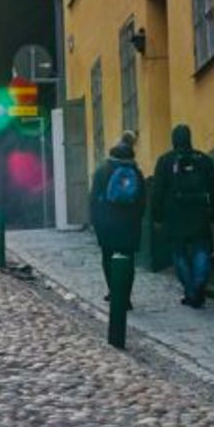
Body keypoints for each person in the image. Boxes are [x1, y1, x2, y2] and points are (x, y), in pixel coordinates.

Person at [150, 123, 214, 308]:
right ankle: (199, 283)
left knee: (179, 253)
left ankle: (191, 291)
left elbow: (157, 192)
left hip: (174, 215)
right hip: (200, 212)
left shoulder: (165, 161)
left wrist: (157, 217)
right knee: (201, 250)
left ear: (173, 140)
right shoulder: (203, 160)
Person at [88, 131, 145, 309]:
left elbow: (93, 199)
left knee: (108, 258)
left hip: (107, 224)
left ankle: (114, 292)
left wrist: (95, 221)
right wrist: (137, 219)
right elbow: (142, 200)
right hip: (129, 225)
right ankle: (126, 297)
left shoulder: (102, 171)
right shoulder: (136, 172)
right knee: (127, 260)